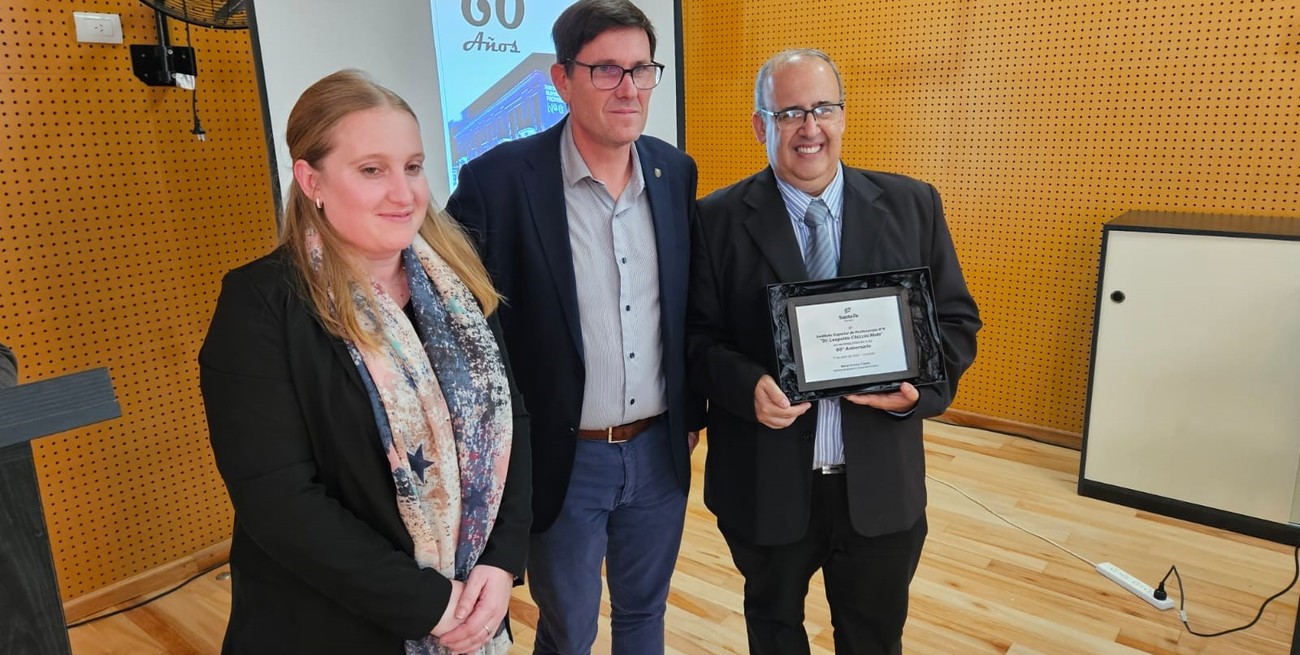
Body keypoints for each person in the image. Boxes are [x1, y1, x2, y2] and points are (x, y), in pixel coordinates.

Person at [199, 70, 531, 655]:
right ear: (311, 180)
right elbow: (277, 499)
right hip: (333, 627)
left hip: (474, 607)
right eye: (372, 170)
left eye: (412, 166)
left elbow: (513, 425)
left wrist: (501, 563)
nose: (403, 194)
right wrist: (431, 605)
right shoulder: (260, 304)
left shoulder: (461, 283)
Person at [687, 49, 982, 655]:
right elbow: (695, 339)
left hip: (879, 492)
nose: (809, 128)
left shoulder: (912, 205)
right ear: (759, 124)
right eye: (789, 112)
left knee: (873, 640)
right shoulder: (713, 220)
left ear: (844, 116)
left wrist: (915, 393)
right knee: (773, 635)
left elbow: (956, 321)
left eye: (822, 108)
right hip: (766, 491)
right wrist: (745, 386)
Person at [445, 1, 701, 652]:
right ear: (562, 80)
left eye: (641, 70)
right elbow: (462, 330)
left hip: (657, 454)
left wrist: (693, 409)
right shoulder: (497, 181)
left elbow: (689, 304)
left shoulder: (675, 173)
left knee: (645, 613)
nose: (629, 88)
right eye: (607, 70)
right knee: (570, 626)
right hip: (564, 456)